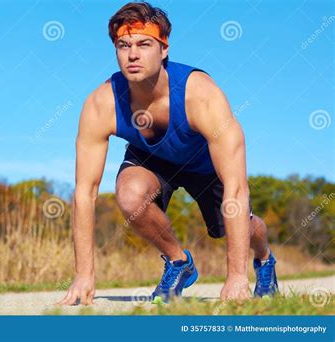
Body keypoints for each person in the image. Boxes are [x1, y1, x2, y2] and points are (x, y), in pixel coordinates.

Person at [58, 2, 278, 305]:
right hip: (153, 161)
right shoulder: (101, 103)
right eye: (123, 45)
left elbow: (236, 189)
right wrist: (84, 275)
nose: (132, 54)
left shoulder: (201, 95)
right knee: (129, 195)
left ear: (163, 49)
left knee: (237, 224)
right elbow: (85, 192)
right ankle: (178, 262)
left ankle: (265, 258)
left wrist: (236, 277)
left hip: (204, 164)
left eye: (144, 44)